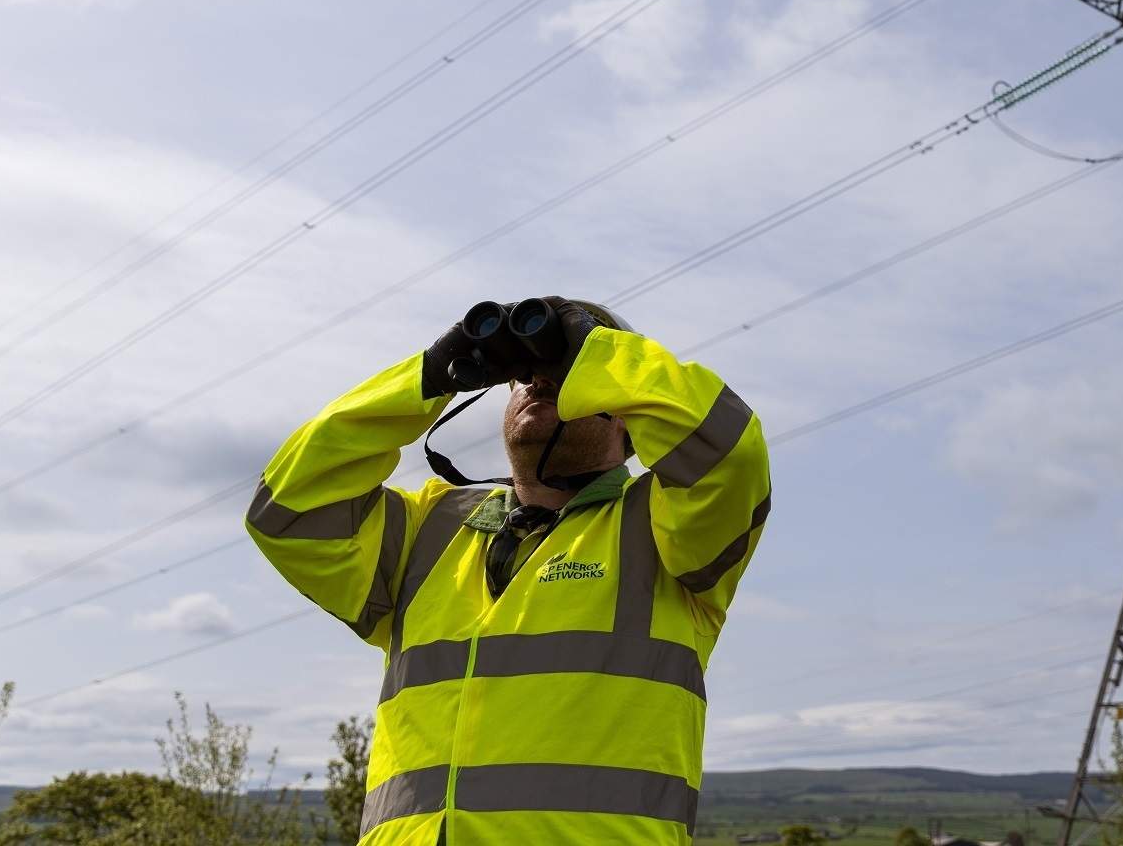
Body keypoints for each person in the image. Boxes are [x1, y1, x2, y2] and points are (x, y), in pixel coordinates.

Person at [246, 296, 770, 843]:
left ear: (627, 416)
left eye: (563, 374)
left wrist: (598, 352)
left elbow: (728, 454)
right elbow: (287, 508)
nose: (538, 383)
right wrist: (426, 377)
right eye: (524, 376)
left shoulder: (665, 528)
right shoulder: (426, 528)